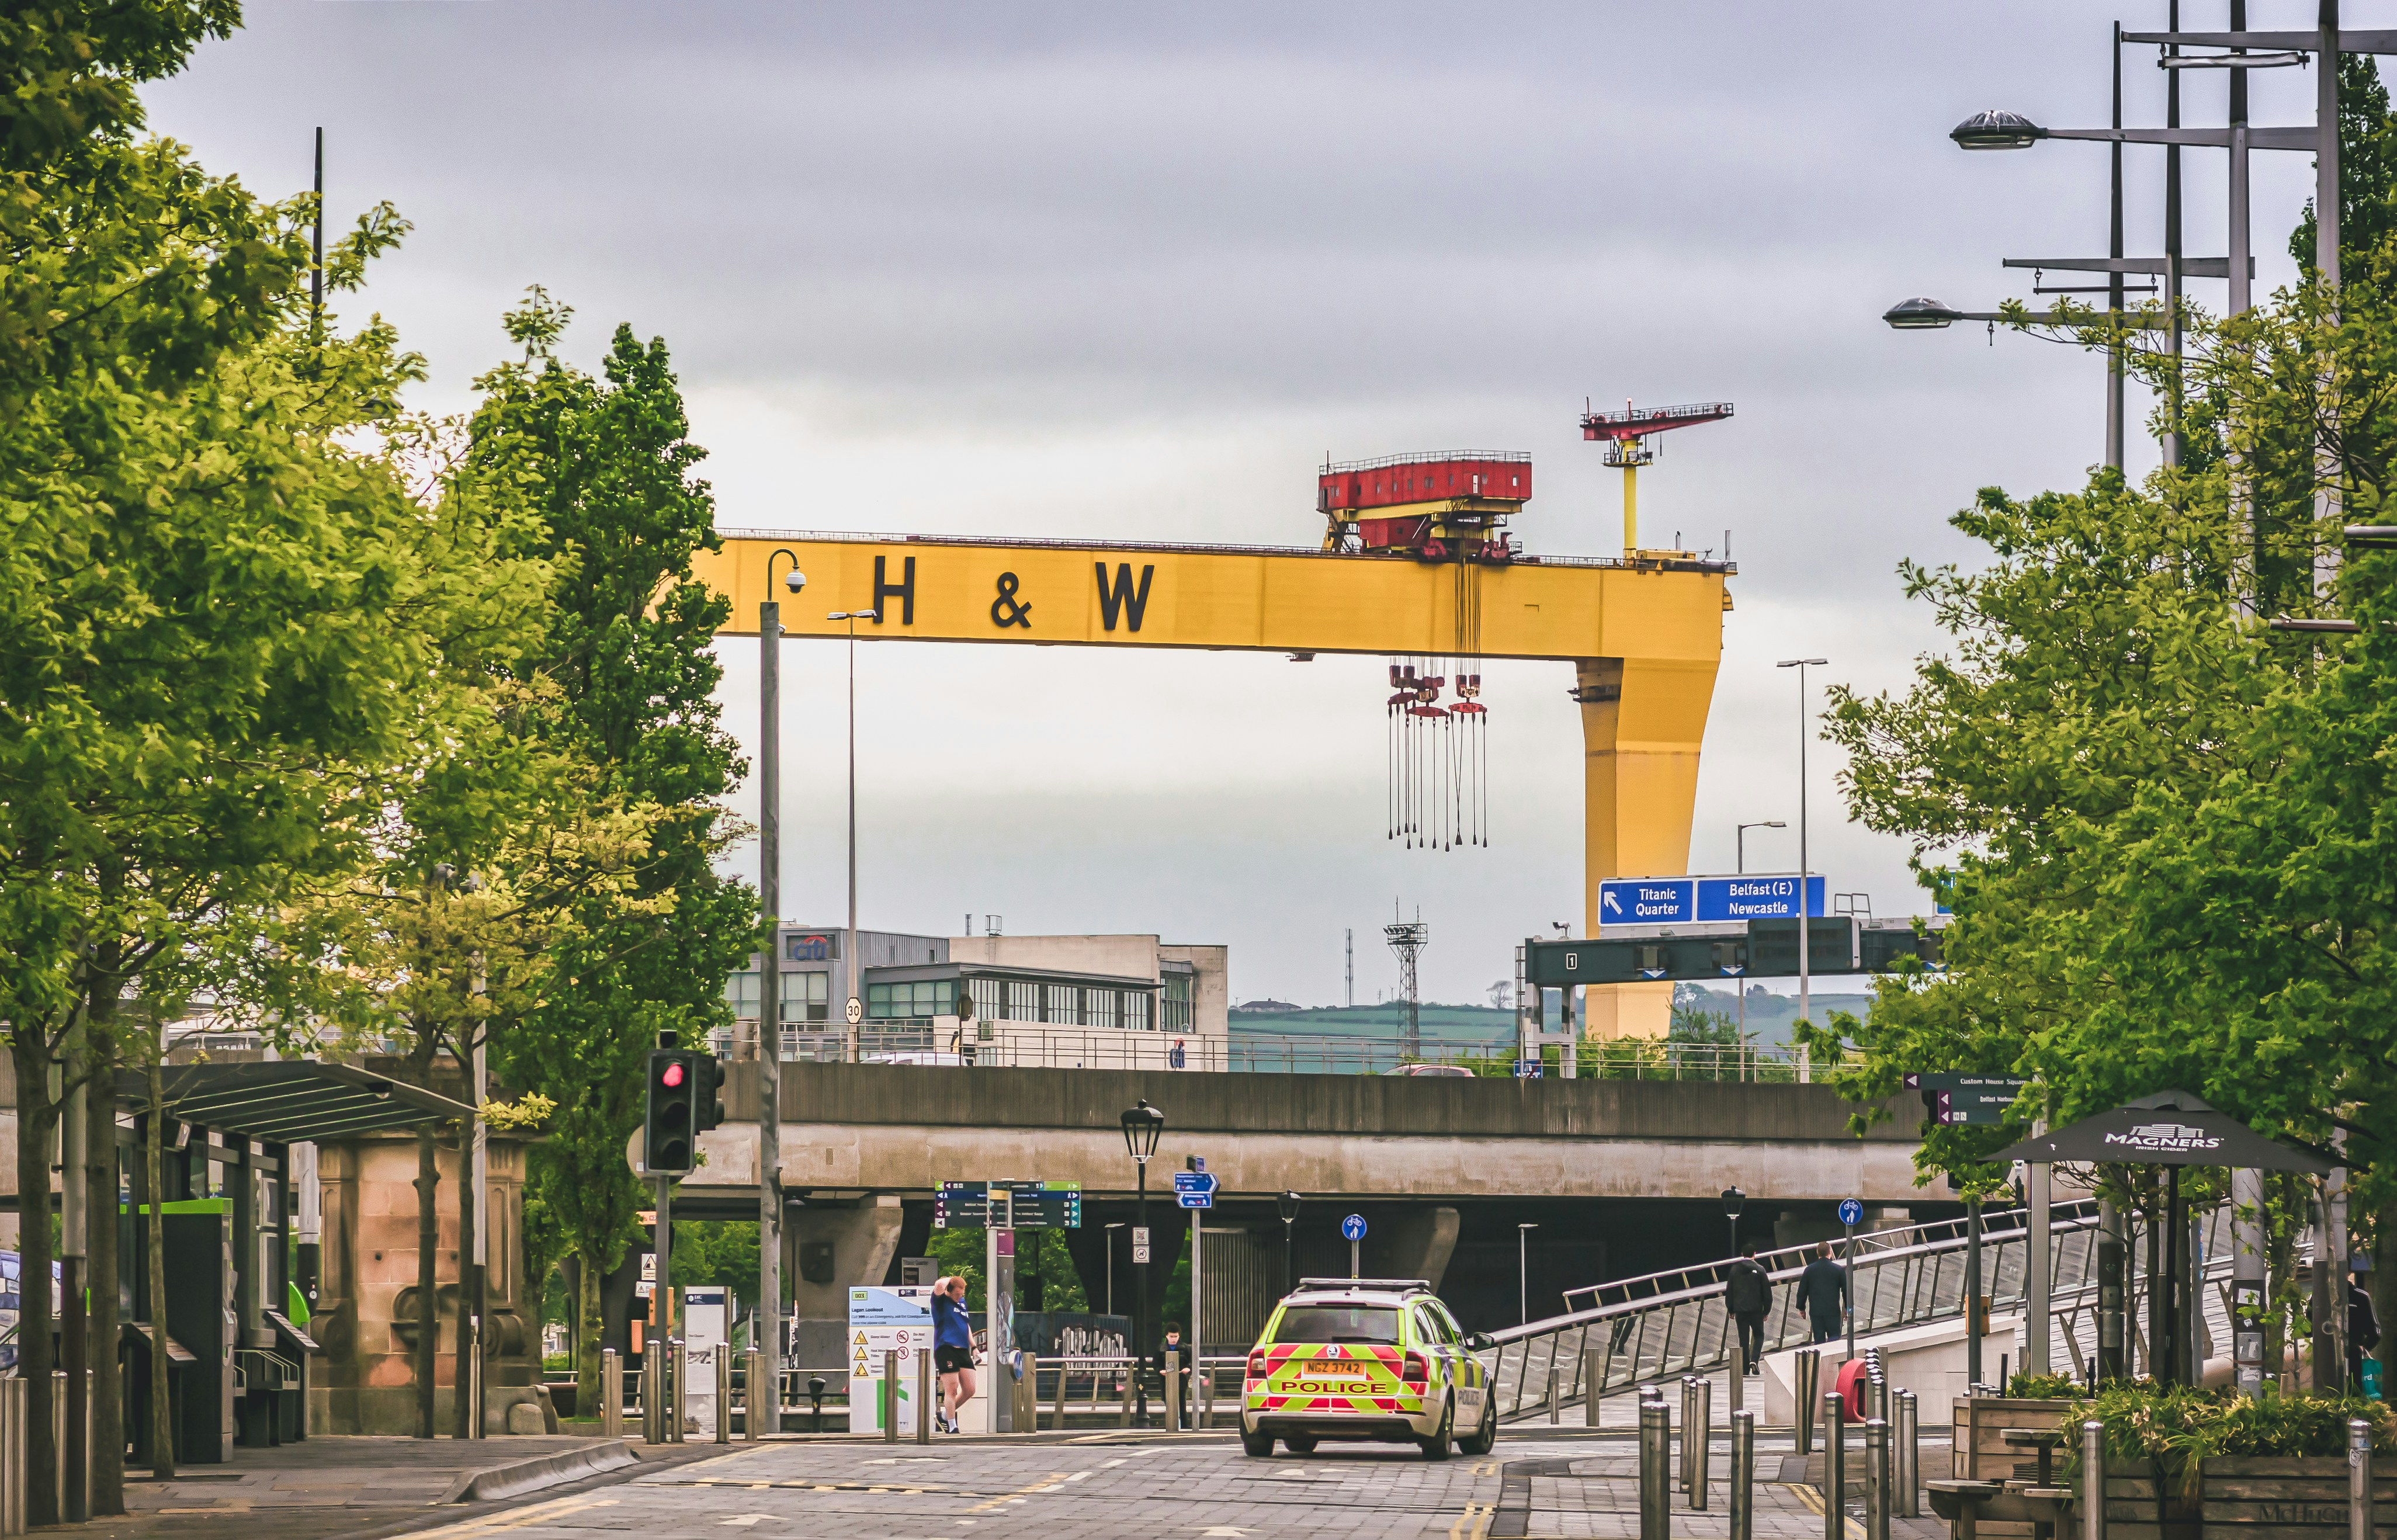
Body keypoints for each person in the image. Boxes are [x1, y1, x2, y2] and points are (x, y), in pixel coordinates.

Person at [932, 1275, 976, 1433]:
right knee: (952, 1388)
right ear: (949, 1292)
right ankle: (952, 1426)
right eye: (957, 1294)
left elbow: (965, 1325)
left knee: (970, 1389)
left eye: (962, 1294)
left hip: (963, 1349)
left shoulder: (962, 1304)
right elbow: (938, 1284)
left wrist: (974, 1346)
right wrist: (952, 1279)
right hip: (946, 1348)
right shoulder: (940, 1302)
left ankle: (945, 1415)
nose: (959, 1297)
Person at [1725, 1244, 1773, 1373]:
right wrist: (1766, 1311)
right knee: (1759, 1335)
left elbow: (1729, 1291)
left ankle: (1745, 1369)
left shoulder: (1735, 1270)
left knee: (1743, 1339)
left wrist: (1731, 1309)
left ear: (1742, 1254)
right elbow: (1767, 1293)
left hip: (1740, 1311)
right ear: (1755, 1254)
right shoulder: (1760, 1270)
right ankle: (1754, 1359)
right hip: (1756, 1311)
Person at [1795, 1240, 1847, 1345]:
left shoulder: (1809, 1270)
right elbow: (1846, 1290)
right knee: (1835, 1338)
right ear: (1830, 1253)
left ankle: (1821, 1360)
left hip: (1816, 1312)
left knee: (1819, 1340)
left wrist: (1801, 1308)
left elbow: (1802, 1291)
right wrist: (1848, 1307)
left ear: (1817, 1253)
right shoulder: (1838, 1270)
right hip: (1833, 1311)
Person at [2350, 1255, 2382, 1389]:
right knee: (2358, 1394)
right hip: (2355, 1358)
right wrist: (2362, 1348)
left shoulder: (2317, 1298)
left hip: (2325, 1362)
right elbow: (2376, 1333)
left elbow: (2308, 1330)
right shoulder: (2361, 1297)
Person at [1153, 1322, 1194, 1425]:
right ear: (1167, 1335)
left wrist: (1188, 1368)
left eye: (1175, 1337)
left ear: (1179, 1336)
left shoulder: (1186, 1348)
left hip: (1181, 1379)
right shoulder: (1160, 1349)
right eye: (1171, 1336)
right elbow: (1156, 1363)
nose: (1173, 1339)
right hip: (1165, 1380)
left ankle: (1184, 1425)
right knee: (1168, 1401)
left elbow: (1192, 1362)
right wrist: (1160, 1371)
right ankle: (1172, 1423)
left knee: (1181, 1402)